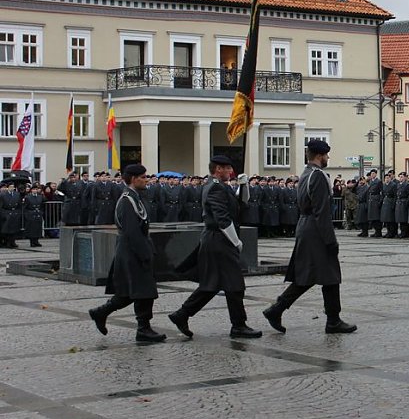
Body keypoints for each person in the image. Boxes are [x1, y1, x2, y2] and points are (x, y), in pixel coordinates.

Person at [262, 140, 356, 334]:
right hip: (315, 229)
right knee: (325, 275)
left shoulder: (305, 174)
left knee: (316, 275)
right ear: (320, 156)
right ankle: (331, 320)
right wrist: (330, 240)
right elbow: (322, 211)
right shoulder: (319, 176)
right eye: (326, 155)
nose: (328, 158)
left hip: (306, 225)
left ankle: (329, 318)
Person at [168, 155, 262, 339]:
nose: (230, 172)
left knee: (212, 284)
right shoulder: (215, 188)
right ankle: (238, 325)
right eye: (227, 169)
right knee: (234, 284)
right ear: (218, 169)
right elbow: (222, 219)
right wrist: (235, 241)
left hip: (218, 240)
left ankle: (182, 315)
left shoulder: (219, 186)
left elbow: (240, 203)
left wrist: (244, 186)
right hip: (219, 240)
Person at [88, 164, 166, 342]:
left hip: (134, 250)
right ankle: (143, 328)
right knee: (142, 291)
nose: (146, 180)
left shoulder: (134, 197)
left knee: (132, 292)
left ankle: (101, 312)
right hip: (132, 252)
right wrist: (144, 254)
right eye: (143, 177)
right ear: (133, 178)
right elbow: (132, 231)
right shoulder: (126, 200)